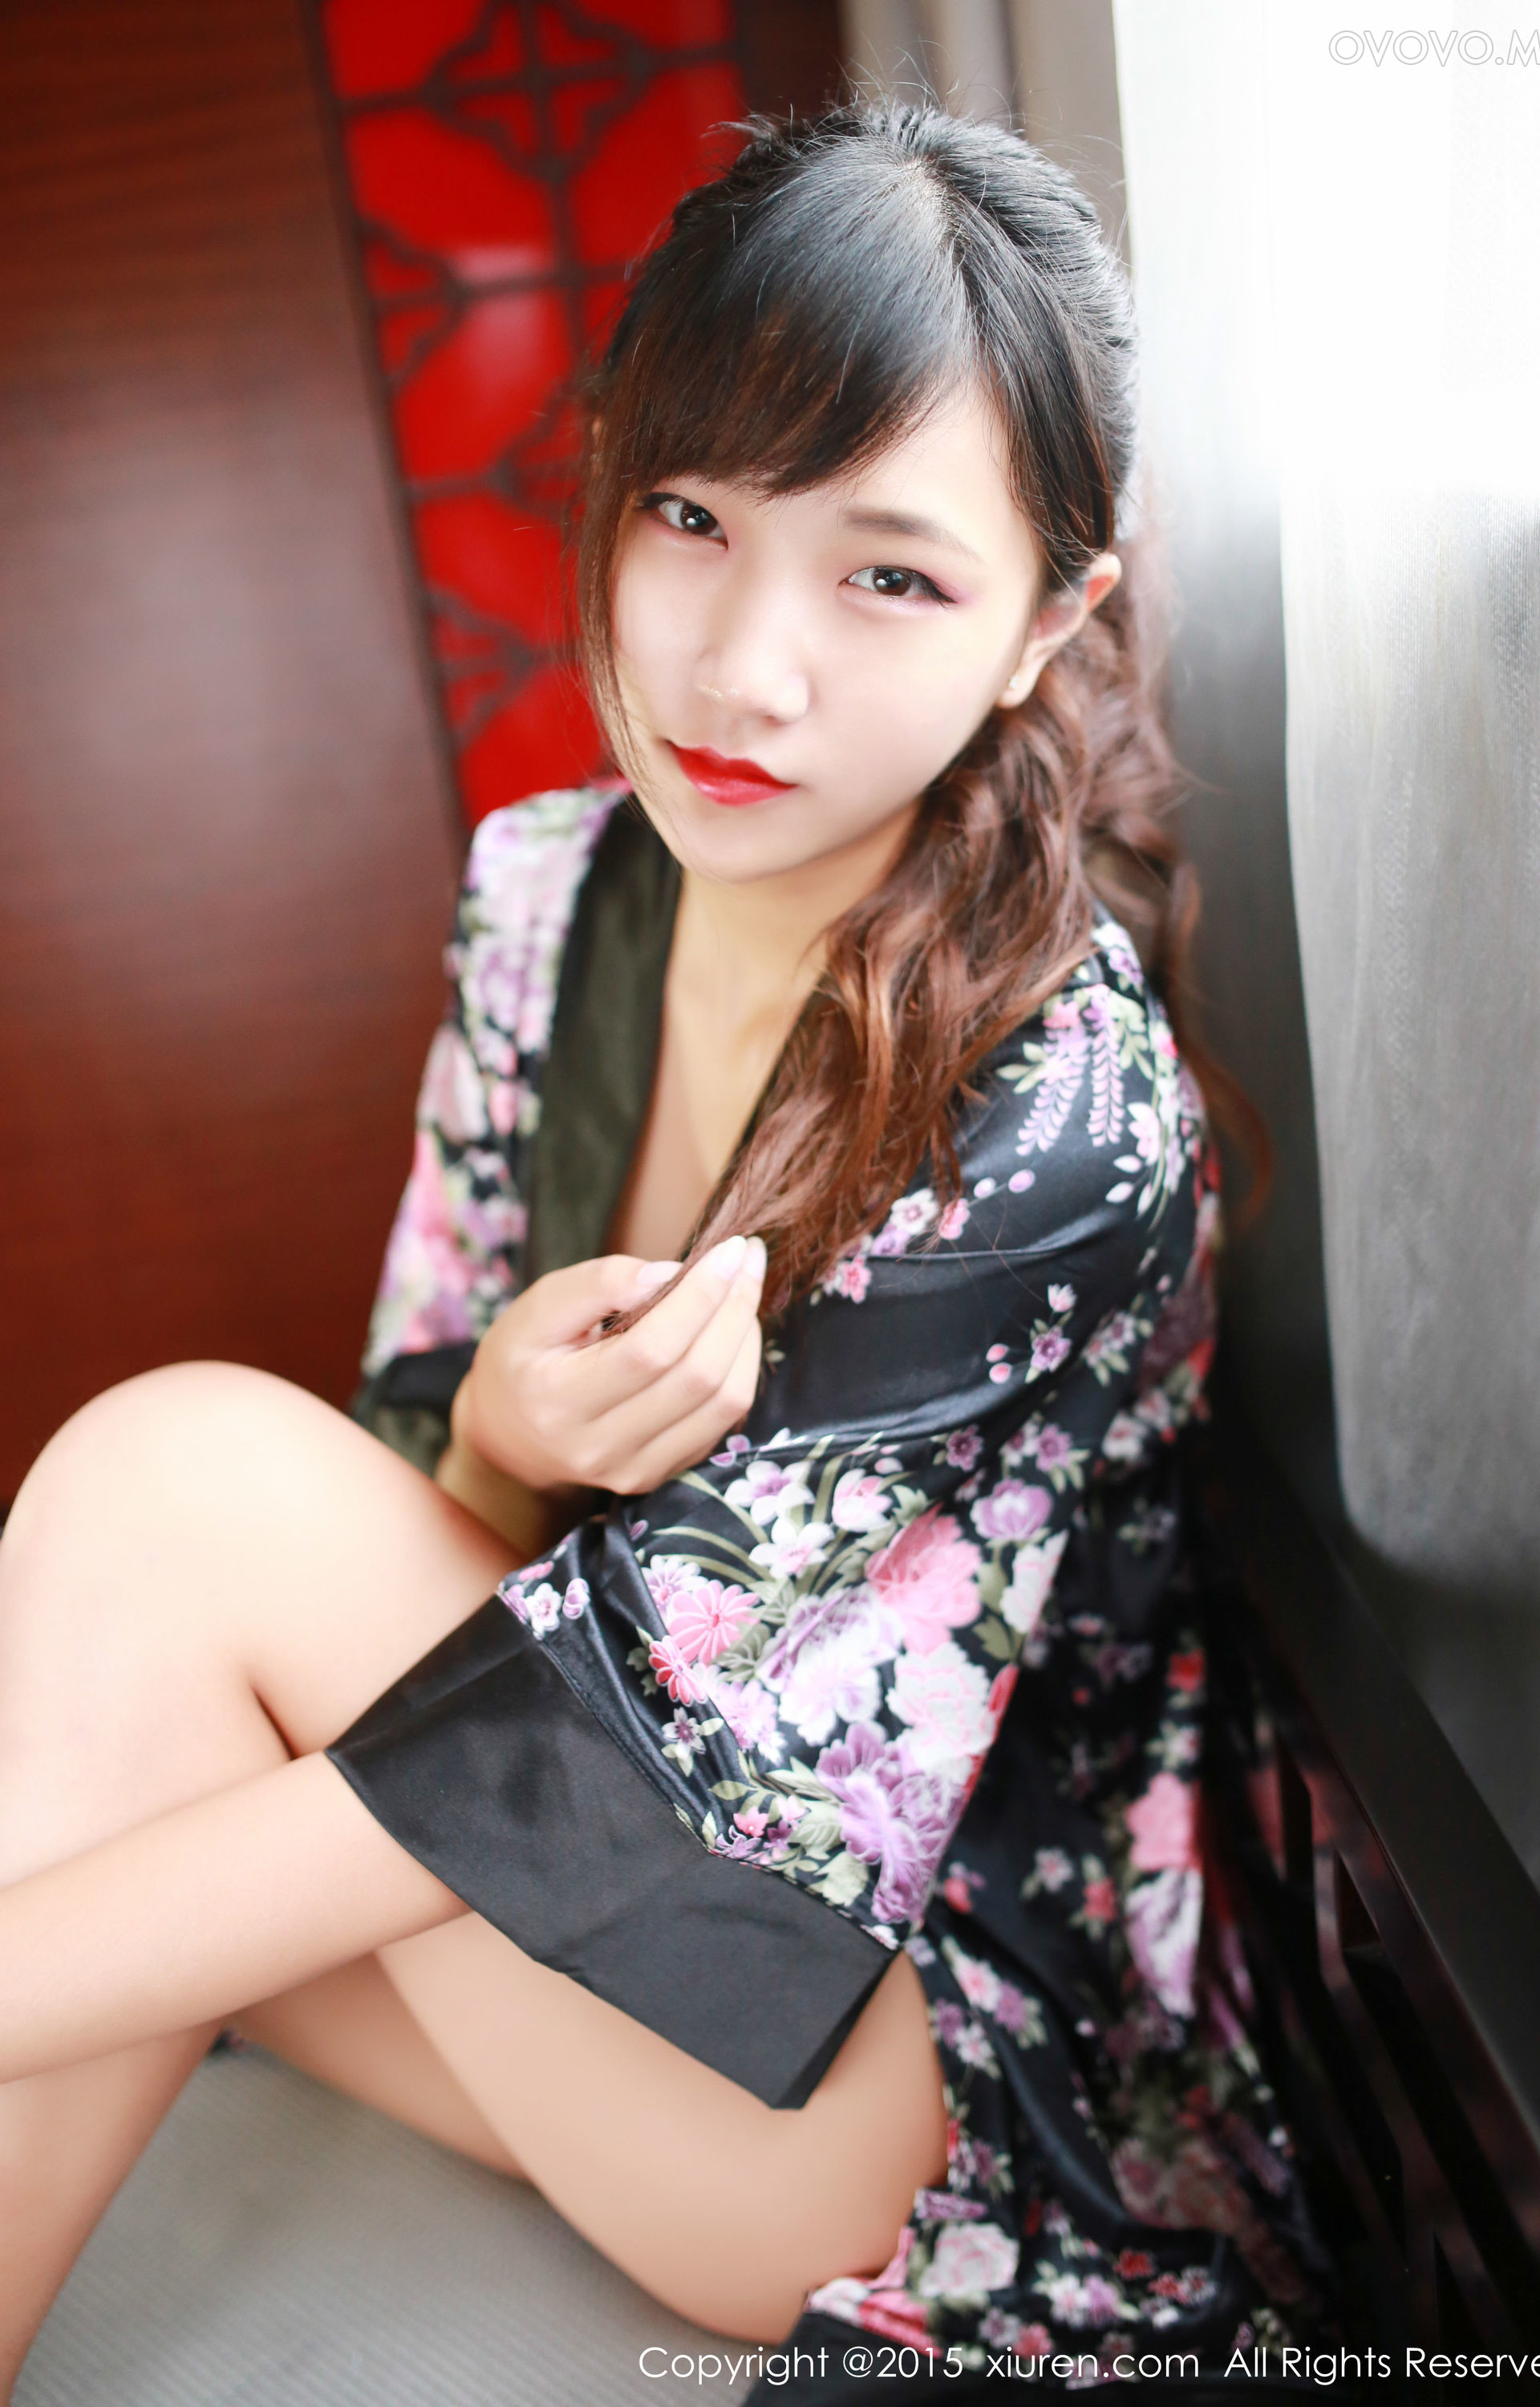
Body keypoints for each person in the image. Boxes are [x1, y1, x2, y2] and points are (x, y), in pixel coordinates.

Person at [0, 100, 1331, 2399]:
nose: (741, 671)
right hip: (579, 1918)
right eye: (694, 518)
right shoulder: (551, 893)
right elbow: (403, 1487)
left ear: (1048, 626)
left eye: (888, 577)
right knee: (154, 1577)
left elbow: (623, 1743)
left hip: (885, 2090)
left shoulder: (1056, 1111)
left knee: (168, 1482)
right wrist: (501, 1433)